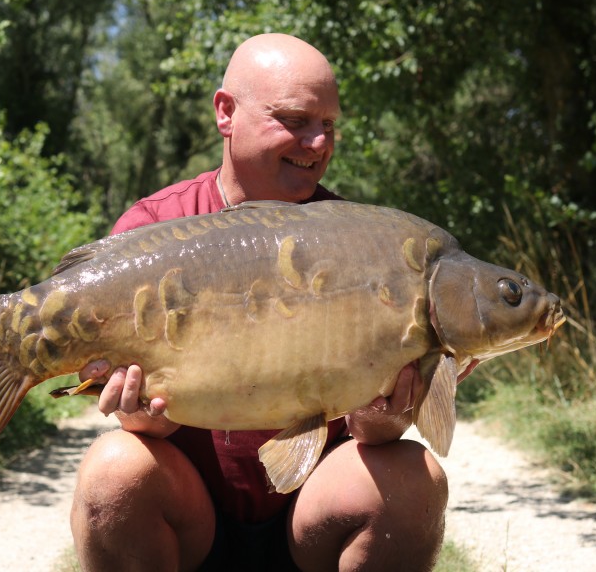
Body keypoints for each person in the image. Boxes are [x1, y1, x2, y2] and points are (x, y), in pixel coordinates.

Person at [70, 33, 449, 572]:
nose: (318, 143)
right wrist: (143, 417)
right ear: (226, 113)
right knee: (113, 469)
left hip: (309, 519)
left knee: (413, 478)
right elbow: (139, 427)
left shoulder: (366, 242)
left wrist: (384, 415)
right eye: (296, 120)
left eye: (330, 125)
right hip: (190, 518)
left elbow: (369, 434)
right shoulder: (156, 230)